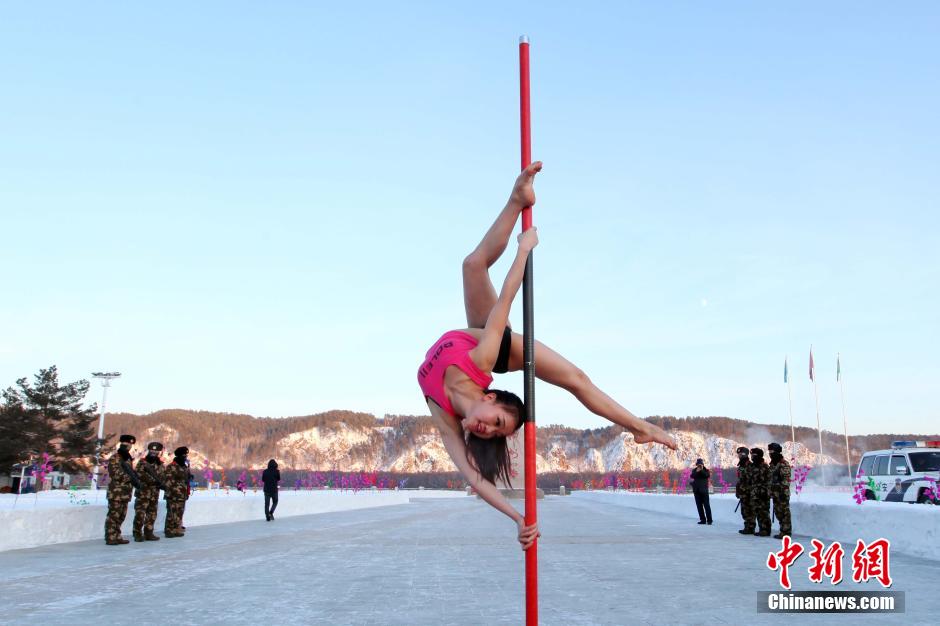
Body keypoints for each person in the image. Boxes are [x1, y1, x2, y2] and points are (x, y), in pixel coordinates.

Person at [417, 162, 676, 551]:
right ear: (490, 399)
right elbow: (505, 301)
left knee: (474, 267)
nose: (488, 430)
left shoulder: (443, 414)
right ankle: (517, 198)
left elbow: (475, 479)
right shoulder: (484, 361)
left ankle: (639, 427)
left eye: (496, 432)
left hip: (475, 335)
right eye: (499, 422)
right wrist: (523, 250)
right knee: (573, 376)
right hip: (494, 342)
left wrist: (518, 518)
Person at [105, 434, 141, 545]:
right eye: (126, 444)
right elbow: (115, 473)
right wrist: (130, 479)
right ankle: (111, 537)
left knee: (121, 516)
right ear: (121, 444)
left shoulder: (127, 459)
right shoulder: (115, 457)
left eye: (129, 445)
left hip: (125, 493)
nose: (128, 446)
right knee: (113, 516)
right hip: (116, 493)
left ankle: (117, 535)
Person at [132, 441, 166, 542]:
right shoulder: (142, 463)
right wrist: (154, 481)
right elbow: (139, 474)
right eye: (152, 451)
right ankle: (137, 533)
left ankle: (149, 532)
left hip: (154, 493)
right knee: (140, 514)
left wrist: (162, 483)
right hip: (143, 492)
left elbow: (163, 476)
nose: (153, 453)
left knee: (152, 514)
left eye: (156, 451)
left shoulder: (160, 465)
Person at [164, 447, 191, 538]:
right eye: (183, 455)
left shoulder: (184, 466)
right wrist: (171, 493)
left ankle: (176, 529)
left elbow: (185, 480)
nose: (185, 457)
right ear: (178, 455)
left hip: (182, 494)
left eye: (186, 455)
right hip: (173, 494)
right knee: (172, 513)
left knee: (179, 513)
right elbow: (168, 481)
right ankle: (169, 530)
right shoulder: (172, 466)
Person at [768, 442, 792, 538]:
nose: (770, 453)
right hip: (775, 493)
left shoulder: (783, 464)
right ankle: (782, 531)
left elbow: (785, 479)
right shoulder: (773, 465)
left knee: (784, 513)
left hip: (782, 493)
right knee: (778, 513)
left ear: (777, 452)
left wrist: (783, 492)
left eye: (772, 451)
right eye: (769, 451)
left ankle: (786, 532)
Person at [748, 447, 772, 537]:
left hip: (763, 494)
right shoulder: (753, 467)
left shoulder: (764, 467)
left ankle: (766, 530)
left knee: (764, 512)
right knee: (758, 512)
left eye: (754, 455)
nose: (752, 457)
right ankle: (761, 528)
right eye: (751, 455)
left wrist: (766, 492)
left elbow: (769, 481)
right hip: (755, 493)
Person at [735, 446, 754, 535]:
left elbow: (751, 479)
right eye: (738, 454)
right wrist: (738, 489)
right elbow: (740, 480)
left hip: (748, 492)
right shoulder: (741, 465)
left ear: (746, 454)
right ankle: (747, 526)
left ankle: (750, 527)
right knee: (744, 511)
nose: (739, 455)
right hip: (743, 492)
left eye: (741, 454)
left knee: (749, 510)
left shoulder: (749, 465)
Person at [690, 458, 712, 525]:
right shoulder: (694, 470)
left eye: (700, 464)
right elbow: (692, 476)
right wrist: (697, 471)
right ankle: (702, 520)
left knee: (707, 506)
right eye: (698, 465)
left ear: (703, 464)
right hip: (696, 491)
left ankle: (709, 520)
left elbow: (707, 475)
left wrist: (701, 470)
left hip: (704, 491)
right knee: (699, 507)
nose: (699, 466)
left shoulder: (706, 470)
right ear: (696, 465)